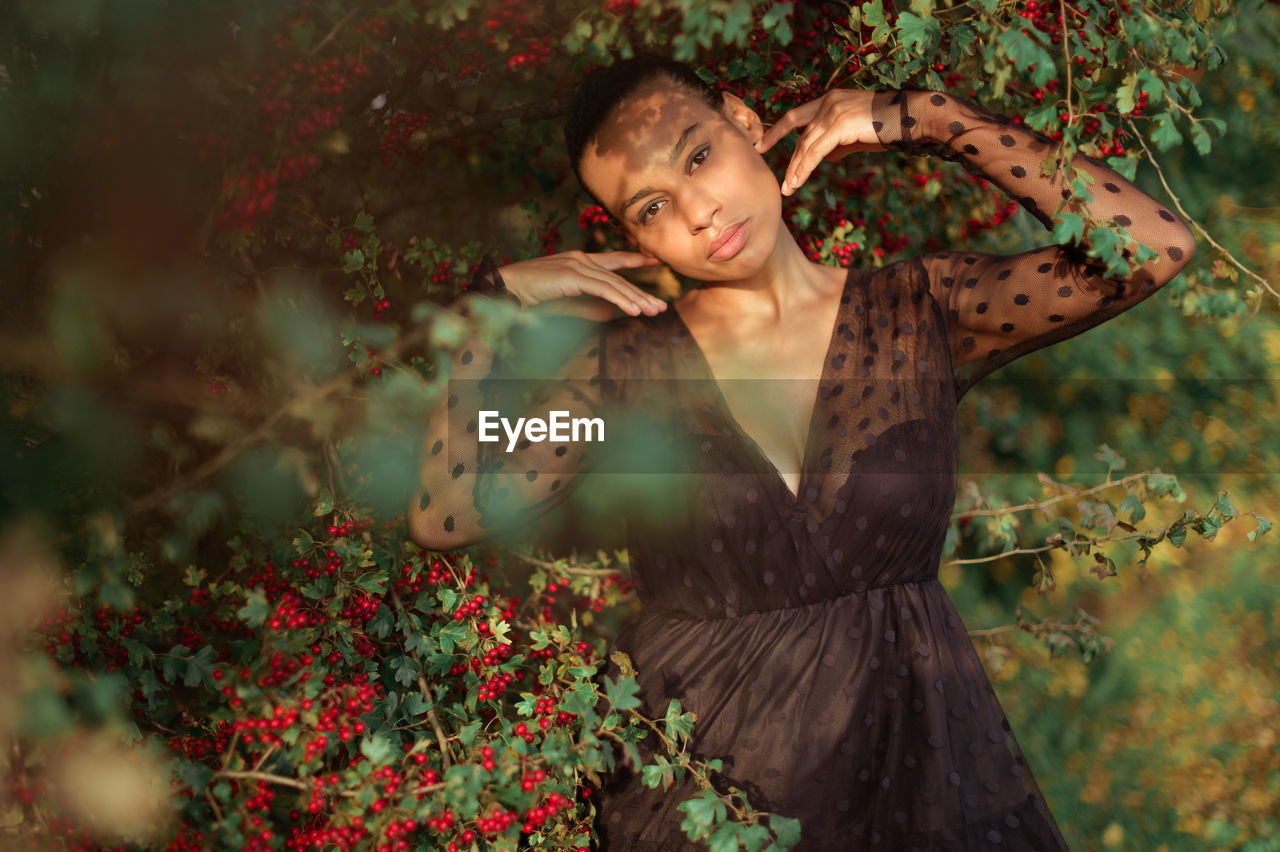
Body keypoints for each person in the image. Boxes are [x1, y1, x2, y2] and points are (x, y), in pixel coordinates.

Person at [409, 54, 1195, 850]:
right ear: (631, 234)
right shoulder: (621, 382)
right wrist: (493, 304)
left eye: (699, 155)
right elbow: (448, 508)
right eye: (653, 206)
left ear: (747, 125)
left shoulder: (919, 317)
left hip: (930, 789)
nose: (700, 212)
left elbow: (1151, 248)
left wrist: (924, 116)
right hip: (706, 815)